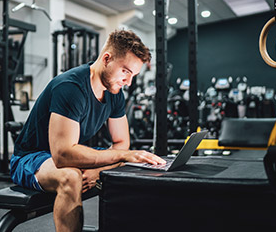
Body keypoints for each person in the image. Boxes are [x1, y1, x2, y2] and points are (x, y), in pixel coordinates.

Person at [10, 29, 166, 232]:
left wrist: (97, 171)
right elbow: (63, 155)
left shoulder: (114, 92)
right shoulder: (71, 87)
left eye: (133, 75)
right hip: (31, 159)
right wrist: (122, 156)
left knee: (132, 161)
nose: (128, 82)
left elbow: (121, 143)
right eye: (125, 72)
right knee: (71, 177)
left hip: (67, 153)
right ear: (107, 58)